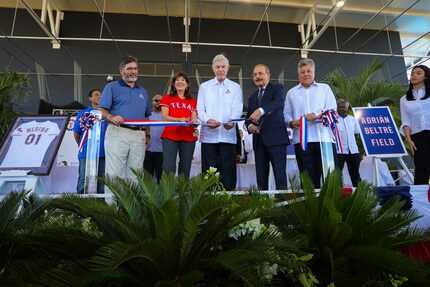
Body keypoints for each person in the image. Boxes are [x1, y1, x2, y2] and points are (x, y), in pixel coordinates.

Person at [284, 58, 337, 188]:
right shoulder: (291, 93)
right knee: (307, 179)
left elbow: (332, 110)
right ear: (299, 74)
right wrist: (291, 122)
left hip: (324, 139)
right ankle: (309, 206)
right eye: (302, 72)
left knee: (329, 177)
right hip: (301, 141)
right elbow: (286, 114)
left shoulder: (325, 89)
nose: (306, 74)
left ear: (314, 72)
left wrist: (316, 115)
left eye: (308, 71)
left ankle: (328, 207)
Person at [98, 55, 151, 182]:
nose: (133, 71)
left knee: (136, 175)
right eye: (129, 68)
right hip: (118, 132)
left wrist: (147, 136)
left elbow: (147, 116)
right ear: (121, 71)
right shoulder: (112, 87)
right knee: (114, 174)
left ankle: (134, 202)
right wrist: (111, 117)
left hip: (139, 135)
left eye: (135, 68)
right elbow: (101, 110)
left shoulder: (143, 91)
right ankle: (111, 203)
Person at [197, 54, 243, 190]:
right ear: (213, 68)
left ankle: (228, 200)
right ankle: (208, 200)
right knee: (209, 172)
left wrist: (232, 120)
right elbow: (200, 109)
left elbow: (238, 107)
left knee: (228, 171)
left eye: (223, 67)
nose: (221, 69)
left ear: (228, 68)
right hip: (208, 137)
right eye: (218, 67)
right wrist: (207, 120)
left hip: (228, 137)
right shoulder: (204, 87)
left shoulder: (235, 87)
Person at [245, 64, 289, 190]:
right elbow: (248, 119)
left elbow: (279, 103)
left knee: (280, 176)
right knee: (261, 179)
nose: (257, 77)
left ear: (268, 75)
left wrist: (261, 110)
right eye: (255, 75)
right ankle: (263, 207)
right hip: (259, 142)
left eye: (260, 73)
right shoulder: (252, 97)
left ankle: (284, 207)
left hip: (276, 140)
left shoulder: (277, 88)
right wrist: (249, 127)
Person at [160, 72, 198, 179]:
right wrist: (179, 119)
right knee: (168, 166)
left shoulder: (192, 101)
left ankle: (183, 194)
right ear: (173, 84)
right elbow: (164, 117)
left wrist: (195, 121)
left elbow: (193, 117)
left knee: (185, 167)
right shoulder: (167, 98)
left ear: (187, 85)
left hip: (188, 136)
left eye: (183, 80)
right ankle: (168, 194)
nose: (180, 82)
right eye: (177, 80)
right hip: (170, 135)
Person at [400, 64, 430, 185]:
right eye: (412, 73)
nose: (414, 75)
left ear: (426, 77)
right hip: (418, 137)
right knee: (421, 169)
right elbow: (406, 121)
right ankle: (420, 201)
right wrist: (409, 139)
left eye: (418, 73)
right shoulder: (404, 99)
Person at [73, 89, 107, 194]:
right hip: (86, 153)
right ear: (90, 98)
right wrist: (82, 145)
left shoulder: (107, 114)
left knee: (102, 180)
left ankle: (101, 205)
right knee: (83, 179)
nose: (99, 97)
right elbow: (77, 133)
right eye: (96, 95)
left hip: (104, 152)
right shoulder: (83, 113)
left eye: (101, 95)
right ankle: (80, 205)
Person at [336, 99, 362, 187]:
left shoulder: (353, 120)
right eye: (339, 107)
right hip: (339, 151)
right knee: (337, 175)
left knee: (355, 174)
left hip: (353, 150)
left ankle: (359, 194)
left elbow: (356, 134)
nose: (341, 109)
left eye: (344, 107)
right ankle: (338, 194)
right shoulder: (334, 120)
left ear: (347, 108)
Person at [143, 94, 164, 182]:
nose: (158, 102)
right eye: (156, 100)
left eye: (161, 101)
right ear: (152, 102)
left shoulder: (166, 116)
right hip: (148, 149)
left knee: (161, 177)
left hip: (162, 150)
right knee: (147, 177)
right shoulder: (147, 115)